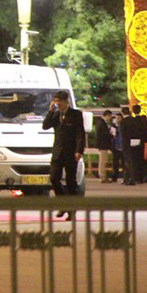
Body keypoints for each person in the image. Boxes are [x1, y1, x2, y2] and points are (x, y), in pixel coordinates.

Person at [41, 90, 85, 219]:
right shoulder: (55, 115)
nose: (57, 104)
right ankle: (62, 203)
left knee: (71, 182)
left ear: (66, 101)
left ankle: (71, 209)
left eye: (59, 102)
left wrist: (78, 150)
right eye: (56, 101)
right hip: (58, 152)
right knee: (54, 178)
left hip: (71, 153)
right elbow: (45, 126)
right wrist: (50, 112)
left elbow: (80, 134)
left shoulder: (76, 115)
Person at [95, 110, 114, 183]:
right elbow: (105, 134)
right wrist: (111, 135)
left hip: (102, 145)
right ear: (107, 115)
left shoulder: (100, 122)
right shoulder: (102, 123)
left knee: (103, 161)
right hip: (103, 145)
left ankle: (103, 176)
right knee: (103, 161)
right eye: (110, 116)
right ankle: (102, 177)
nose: (110, 118)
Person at [132, 105, 147, 183]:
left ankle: (137, 178)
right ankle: (146, 177)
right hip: (143, 142)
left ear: (133, 111)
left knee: (136, 160)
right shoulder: (143, 119)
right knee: (143, 160)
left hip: (134, 142)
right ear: (140, 110)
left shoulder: (132, 120)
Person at [120, 107, 137, 185]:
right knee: (132, 161)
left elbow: (122, 134)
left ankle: (130, 179)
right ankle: (126, 178)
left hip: (126, 143)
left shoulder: (122, 122)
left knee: (127, 162)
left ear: (122, 113)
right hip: (134, 143)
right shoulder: (133, 120)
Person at [111, 112, 124, 183]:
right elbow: (112, 136)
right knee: (115, 163)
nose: (117, 119)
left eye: (118, 118)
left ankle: (124, 177)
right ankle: (114, 177)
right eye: (116, 118)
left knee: (124, 163)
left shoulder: (124, 126)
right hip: (116, 147)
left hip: (123, 147)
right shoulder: (113, 126)